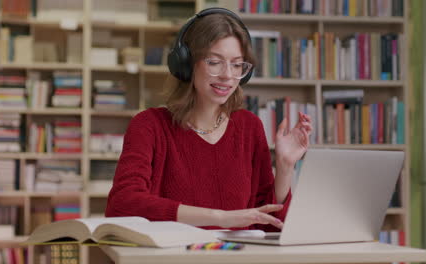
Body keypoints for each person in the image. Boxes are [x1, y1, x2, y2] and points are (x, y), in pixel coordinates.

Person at [105, 7, 313, 231]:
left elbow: (270, 227)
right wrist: (220, 218)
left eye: (236, 64)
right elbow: (122, 205)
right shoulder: (149, 125)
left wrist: (284, 167)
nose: (227, 75)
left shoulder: (249, 127)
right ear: (186, 63)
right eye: (214, 62)